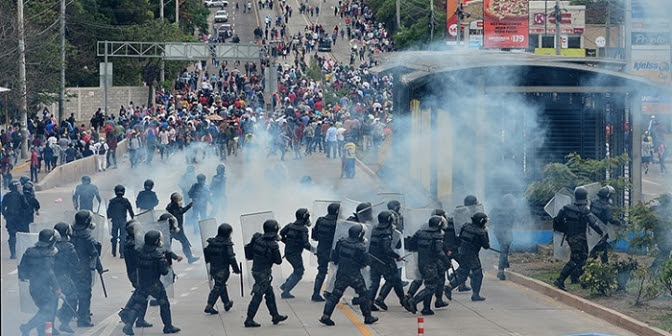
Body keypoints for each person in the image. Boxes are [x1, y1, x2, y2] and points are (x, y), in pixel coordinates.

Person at [119, 230, 181, 335]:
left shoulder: (139, 251)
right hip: (154, 284)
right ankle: (168, 326)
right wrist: (165, 263)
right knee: (164, 304)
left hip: (142, 282)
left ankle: (128, 326)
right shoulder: (158, 255)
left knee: (138, 304)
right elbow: (164, 272)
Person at [319, 224, 378, 326]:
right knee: (364, 295)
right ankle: (368, 317)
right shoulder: (361, 247)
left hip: (341, 273)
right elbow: (366, 262)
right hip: (354, 275)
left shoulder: (341, 242)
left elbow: (335, 257)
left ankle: (326, 316)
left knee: (334, 295)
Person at [552, 187, 604, 291]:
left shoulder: (566, 208)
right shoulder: (584, 210)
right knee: (575, 259)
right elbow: (593, 223)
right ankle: (560, 279)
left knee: (583, 259)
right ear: (584, 197)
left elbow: (556, 221)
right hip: (579, 238)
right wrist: (600, 232)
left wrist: (565, 229)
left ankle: (581, 280)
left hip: (570, 237)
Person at [243, 219, 288, 327]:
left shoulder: (257, 238)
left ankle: (275, 316)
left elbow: (250, 250)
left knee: (269, 293)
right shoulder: (273, 245)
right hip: (263, 273)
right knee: (257, 296)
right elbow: (278, 261)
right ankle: (249, 319)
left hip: (256, 270)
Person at [404, 216, 451, 315]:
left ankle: (426, 308)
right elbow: (439, 252)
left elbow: (410, 244)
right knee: (431, 287)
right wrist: (447, 262)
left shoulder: (420, 233)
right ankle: (414, 300)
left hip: (421, 262)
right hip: (431, 264)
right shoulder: (437, 236)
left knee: (430, 284)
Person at [18, 229, 61, 336]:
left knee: (45, 310)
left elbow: (22, 269)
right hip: (44, 289)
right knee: (47, 311)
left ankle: (46, 332)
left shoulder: (29, 252)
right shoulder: (47, 255)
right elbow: (50, 273)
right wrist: (57, 287)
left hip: (33, 286)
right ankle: (27, 327)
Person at [445, 212, 491, 301]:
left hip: (462, 252)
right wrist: (486, 233)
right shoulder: (480, 232)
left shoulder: (465, 226)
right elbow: (486, 246)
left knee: (463, 273)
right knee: (478, 274)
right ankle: (475, 295)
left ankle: (449, 287)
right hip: (472, 255)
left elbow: (460, 237)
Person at [71, 210, 103, 327]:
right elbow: (94, 254)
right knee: (85, 294)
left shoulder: (71, 233)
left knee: (73, 291)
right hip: (83, 269)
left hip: (71, 268)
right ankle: (83, 318)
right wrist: (99, 267)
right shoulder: (87, 238)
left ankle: (71, 313)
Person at [368, 210, 405, 311]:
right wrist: (396, 256)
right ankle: (380, 298)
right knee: (392, 279)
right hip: (385, 261)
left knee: (375, 282)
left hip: (373, 259)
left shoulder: (374, 229)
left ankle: (369, 303)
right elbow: (387, 249)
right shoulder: (387, 232)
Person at [121, 221, 153, 330]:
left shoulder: (130, 242)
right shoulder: (133, 245)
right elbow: (139, 258)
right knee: (142, 295)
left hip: (134, 272)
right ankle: (130, 315)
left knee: (140, 294)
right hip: (137, 273)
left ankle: (136, 317)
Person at [203, 223, 241, 314]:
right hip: (223, 269)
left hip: (214, 268)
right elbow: (231, 257)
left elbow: (206, 253)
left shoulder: (212, 243)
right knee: (218, 287)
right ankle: (209, 305)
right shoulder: (227, 244)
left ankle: (226, 303)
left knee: (221, 285)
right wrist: (236, 269)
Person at [279, 208, 314, 299]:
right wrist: (316, 251)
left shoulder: (290, 226)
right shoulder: (303, 229)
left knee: (297, 270)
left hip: (288, 253)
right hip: (295, 254)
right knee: (299, 272)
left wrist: (287, 242)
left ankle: (285, 285)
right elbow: (306, 244)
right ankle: (286, 291)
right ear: (304, 217)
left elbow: (280, 235)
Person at [53, 222, 80, 334]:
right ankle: (64, 321)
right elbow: (76, 262)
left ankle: (50, 326)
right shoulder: (69, 247)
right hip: (63, 276)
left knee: (51, 302)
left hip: (49, 278)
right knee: (73, 298)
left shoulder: (50, 245)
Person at [311, 202, 340, 302]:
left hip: (321, 249)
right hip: (333, 251)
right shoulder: (337, 222)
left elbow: (314, 236)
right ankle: (329, 292)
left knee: (321, 271)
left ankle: (315, 294)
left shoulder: (320, 220)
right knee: (337, 271)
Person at [589, 186, 621, 263]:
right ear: (607, 196)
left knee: (595, 248)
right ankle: (603, 267)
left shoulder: (593, 202)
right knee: (602, 251)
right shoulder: (607, 207)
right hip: (602, 231)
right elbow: (610, 219)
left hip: (592, 229)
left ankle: (589, 265)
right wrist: (619, 222)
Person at [166, 193, 200, 264]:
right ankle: (189, 258)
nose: (180, 201)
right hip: (175, 229)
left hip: (174, 228)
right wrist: (188, 206)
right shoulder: (173, 207)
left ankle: (189, 258)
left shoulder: (171, 206)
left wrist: (189, 206)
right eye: (179, 200)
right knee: (184, 243)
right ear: (175, 200)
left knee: (172, 244)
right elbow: (179, 212)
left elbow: (181, 210)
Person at [490, 194, 516, 280]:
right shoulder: (511, 209)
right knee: (504, 250)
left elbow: (490, 220)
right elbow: (512, 221)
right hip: (506, 231)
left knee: (503, 248)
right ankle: (500, 271)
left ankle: (505, 263)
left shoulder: (495, 208)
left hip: (497, 231)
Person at [2, 180, 29, 259]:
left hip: (10, 218)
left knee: (12, 235)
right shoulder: (20, 196)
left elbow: (2, 207)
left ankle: (13, 253)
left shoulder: (7, 196)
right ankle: (21, 251)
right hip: (19, 218)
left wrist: (6, 215)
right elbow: (26, 206)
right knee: (21, 235)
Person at [107, 184, 135, 258]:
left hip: (115, 221)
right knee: (123, 237)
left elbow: (108, 212)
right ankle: (122, 253)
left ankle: (114, 252)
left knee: (114, 236)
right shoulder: (125, 201)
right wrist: (133, 218)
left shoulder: (112, 201)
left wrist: (110, 218)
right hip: (123, 220)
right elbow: (130, 210)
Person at [650, 193, 672, 269]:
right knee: (665, 251)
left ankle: (660, 268)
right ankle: (654, 268)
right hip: (663, 236)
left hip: (661, 235)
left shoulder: (655, 209)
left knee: (665, 252)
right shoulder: (664, 211)